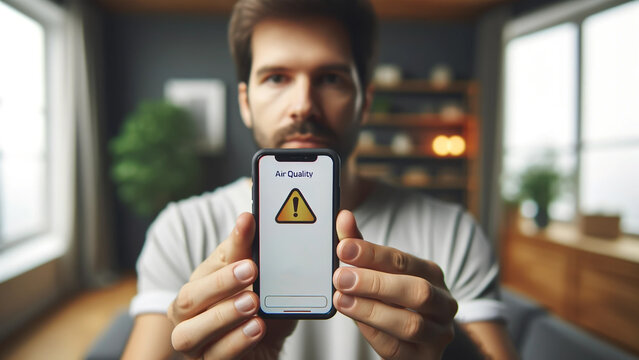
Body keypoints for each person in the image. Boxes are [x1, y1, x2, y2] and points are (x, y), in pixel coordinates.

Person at [123, 0, 518, 359]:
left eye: (330, 78)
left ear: (364, 103)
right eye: (277, 78)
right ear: (245, 104)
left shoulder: (454, 233)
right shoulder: (180, 229)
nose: (303, 105)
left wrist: (450, 349)